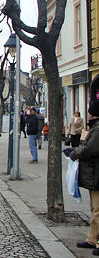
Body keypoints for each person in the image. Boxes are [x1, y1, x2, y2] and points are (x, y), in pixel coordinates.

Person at [63, 100, 99, 255]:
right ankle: (92, 239)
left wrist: (75, 153)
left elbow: (91, 149)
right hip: (94, 174)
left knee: (97, 209)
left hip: (97, 174)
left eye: (90, 112)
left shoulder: (98, 129)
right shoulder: (96, 128)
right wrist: (75, 149)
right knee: (94, 208)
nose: (89, 114)